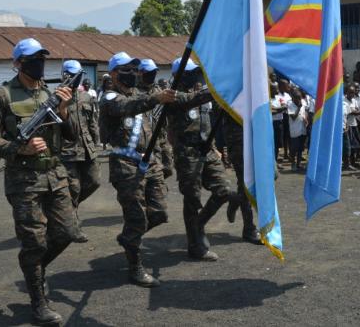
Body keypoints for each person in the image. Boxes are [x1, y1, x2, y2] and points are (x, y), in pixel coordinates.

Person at [0, 38, 77, 324]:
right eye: (33, 59)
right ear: (18, 63)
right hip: (24, 180)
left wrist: (64, 112)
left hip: (55, 176)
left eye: (42, 58)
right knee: (34, 242)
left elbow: (71, 135)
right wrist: (19, 148)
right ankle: (38, 302)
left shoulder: (52, 94)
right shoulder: (2, 96)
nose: (39, 63)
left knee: (67, 233)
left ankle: (34, 269)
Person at [98, 51, 175, 287]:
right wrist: (156, 98)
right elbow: (126, 106)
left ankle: (129, 237)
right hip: (125, 165)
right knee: (136, 217)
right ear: (113, 73)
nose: (131, 74)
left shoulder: (141, 95)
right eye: (126, 70)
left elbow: (151, 129)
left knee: (160, 212)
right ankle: (135, 266)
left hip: (149, 162)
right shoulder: (109, 98)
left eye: (134, 69)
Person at [166, 58, 239, 261]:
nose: (195, 76)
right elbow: (190, 100)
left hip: (207, 150)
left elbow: (208, 120)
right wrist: (219, 86)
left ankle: (198, 224)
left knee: (223, 189)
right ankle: (195, 244)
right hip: (187, 154)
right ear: (177, 75)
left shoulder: (202, 92)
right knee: (192, 198)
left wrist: (216, 148)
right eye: (190, 73)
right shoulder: (172, 96)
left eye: (196, 72)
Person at [59, 60, 101, 244]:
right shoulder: (55, 97)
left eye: (77, 74)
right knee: (73, 188)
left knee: (94, 181)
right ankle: (73, 226)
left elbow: (92, 122)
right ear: (64, 74)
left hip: (87, 148)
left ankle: (67, 208)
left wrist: (97, 141)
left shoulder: (86, 98)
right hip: (67, 151)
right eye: (70, 74)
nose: (74, 78)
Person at [223, 109, 262, 245]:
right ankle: (249, 228)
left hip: (256, 136)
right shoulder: (229, 89)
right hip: (238, 141)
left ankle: (235, 199)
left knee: (269, 176)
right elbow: (219, 107)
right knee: (245, 182)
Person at [287, 87, 308, 171]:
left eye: (300, 98)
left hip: (302, 129)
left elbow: (304, 113)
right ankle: (293, 164)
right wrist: (299, 107)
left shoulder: (302, 103)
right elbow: (293, 117)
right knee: (294, 148)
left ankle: (299, 164)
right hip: (295, 130)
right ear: (293, 98)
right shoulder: (290, 105)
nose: (299, 100)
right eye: (297, 98)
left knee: (300, 148)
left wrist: (306, 119)